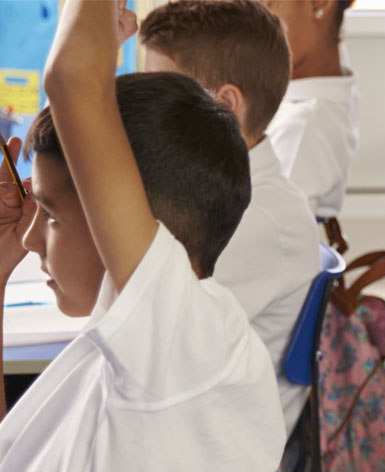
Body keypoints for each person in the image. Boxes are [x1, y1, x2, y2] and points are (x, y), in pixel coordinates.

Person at [0, 3, 284, 472]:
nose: (29, 239)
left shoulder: (183, 343)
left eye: (49, 214)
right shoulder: (125, 350)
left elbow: (73, 78)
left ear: (125, 223)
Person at [141, 0, 321, 428]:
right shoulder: (211, 190)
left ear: (224, 105)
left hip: (214, 444)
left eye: (159, 93)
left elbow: (155, 346)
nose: (142, 112)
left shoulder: (256, 218)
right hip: (192, 418)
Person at [263, 0, 361, 220]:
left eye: (267, 4)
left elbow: (267, 243)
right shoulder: (326, 68)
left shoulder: (302, 129)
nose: (251, 23)